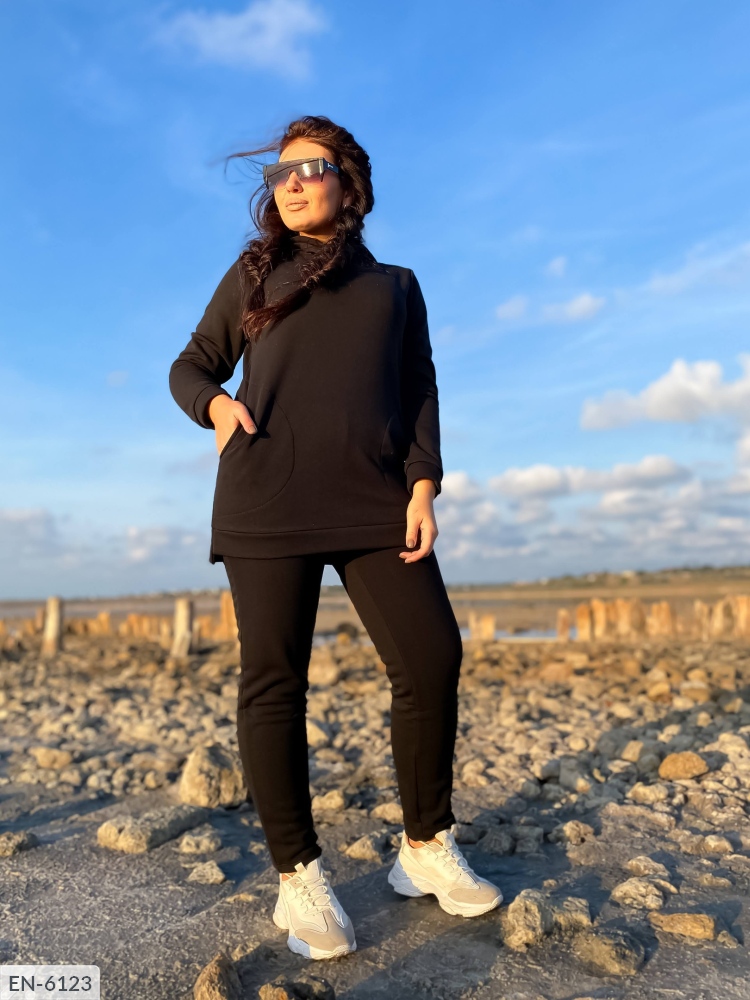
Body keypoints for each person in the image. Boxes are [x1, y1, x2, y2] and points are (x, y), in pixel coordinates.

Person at [169, 115, 502, 961]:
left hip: (375, 499)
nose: (290, 181)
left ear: (347, 182)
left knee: (431, 657)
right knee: (274, 682)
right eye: (279, 172)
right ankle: (299, 876)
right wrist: (216, 405)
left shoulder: (396, 286)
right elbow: (191, 365)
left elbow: (419, 388)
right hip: (266, 501)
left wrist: (423, 482)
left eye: (310, 167)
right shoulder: (254, 274)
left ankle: (424, 846)